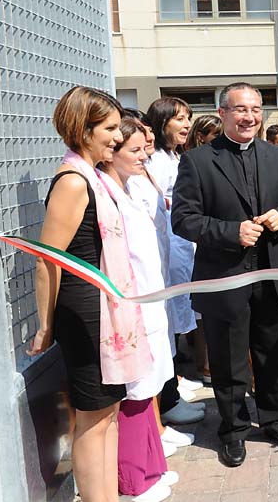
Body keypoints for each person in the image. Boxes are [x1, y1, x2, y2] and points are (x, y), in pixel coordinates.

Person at [171, 82, 278, 468]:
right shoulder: (197, 160)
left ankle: (275, 419)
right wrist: (231, 232)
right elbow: (183, 219)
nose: (249, 117)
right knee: (229, 361)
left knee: (272, 353)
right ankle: (232, 430)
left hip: (270, 273)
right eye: (240, 110)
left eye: (256, 109)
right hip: (224, 275)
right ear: (223, 112)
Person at [31, 87, 149, 502]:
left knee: (109, 416)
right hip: (87, 315)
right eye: (111, 129)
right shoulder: (73, 181)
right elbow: (47, 260)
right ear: (84, 130)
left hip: (106, 312)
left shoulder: (95, 176)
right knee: (92, 420)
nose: (118, 138)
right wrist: (45, 325)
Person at [101, 117, 177, 502]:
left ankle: (151, 465)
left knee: (148, 388)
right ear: (110, 153)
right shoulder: (105, 193)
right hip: (130, 309)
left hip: (151, 299)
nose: (144, 156)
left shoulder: (127, 187)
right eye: (134, 151)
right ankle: (133, 481)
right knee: (134, 392)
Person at [146, 98, 201, 405]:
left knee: (179, 315)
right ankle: (170, 388)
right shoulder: (153, 160)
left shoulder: (174, 156)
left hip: (180, 246)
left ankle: (174, 381)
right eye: (180, 119)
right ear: (162, 122)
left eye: (188, 117)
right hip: (167, 247)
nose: (186, 125)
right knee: (169, 319)